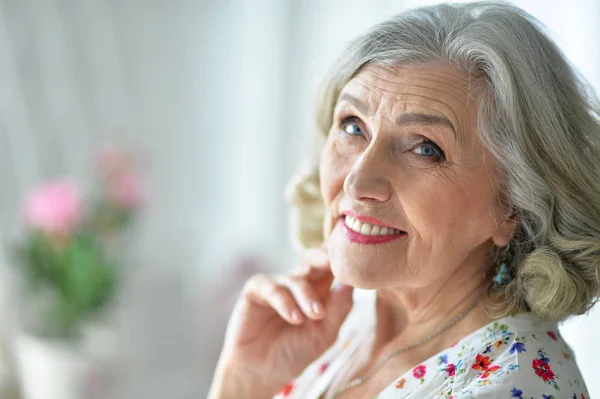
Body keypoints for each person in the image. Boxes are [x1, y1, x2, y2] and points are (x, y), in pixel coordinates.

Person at [208, 2, 599, 398]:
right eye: (352, 126)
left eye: (425, 149)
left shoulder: (506, 388)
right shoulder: (354, 330)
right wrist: (243, 384)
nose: (358, 181)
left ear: (513, 204)